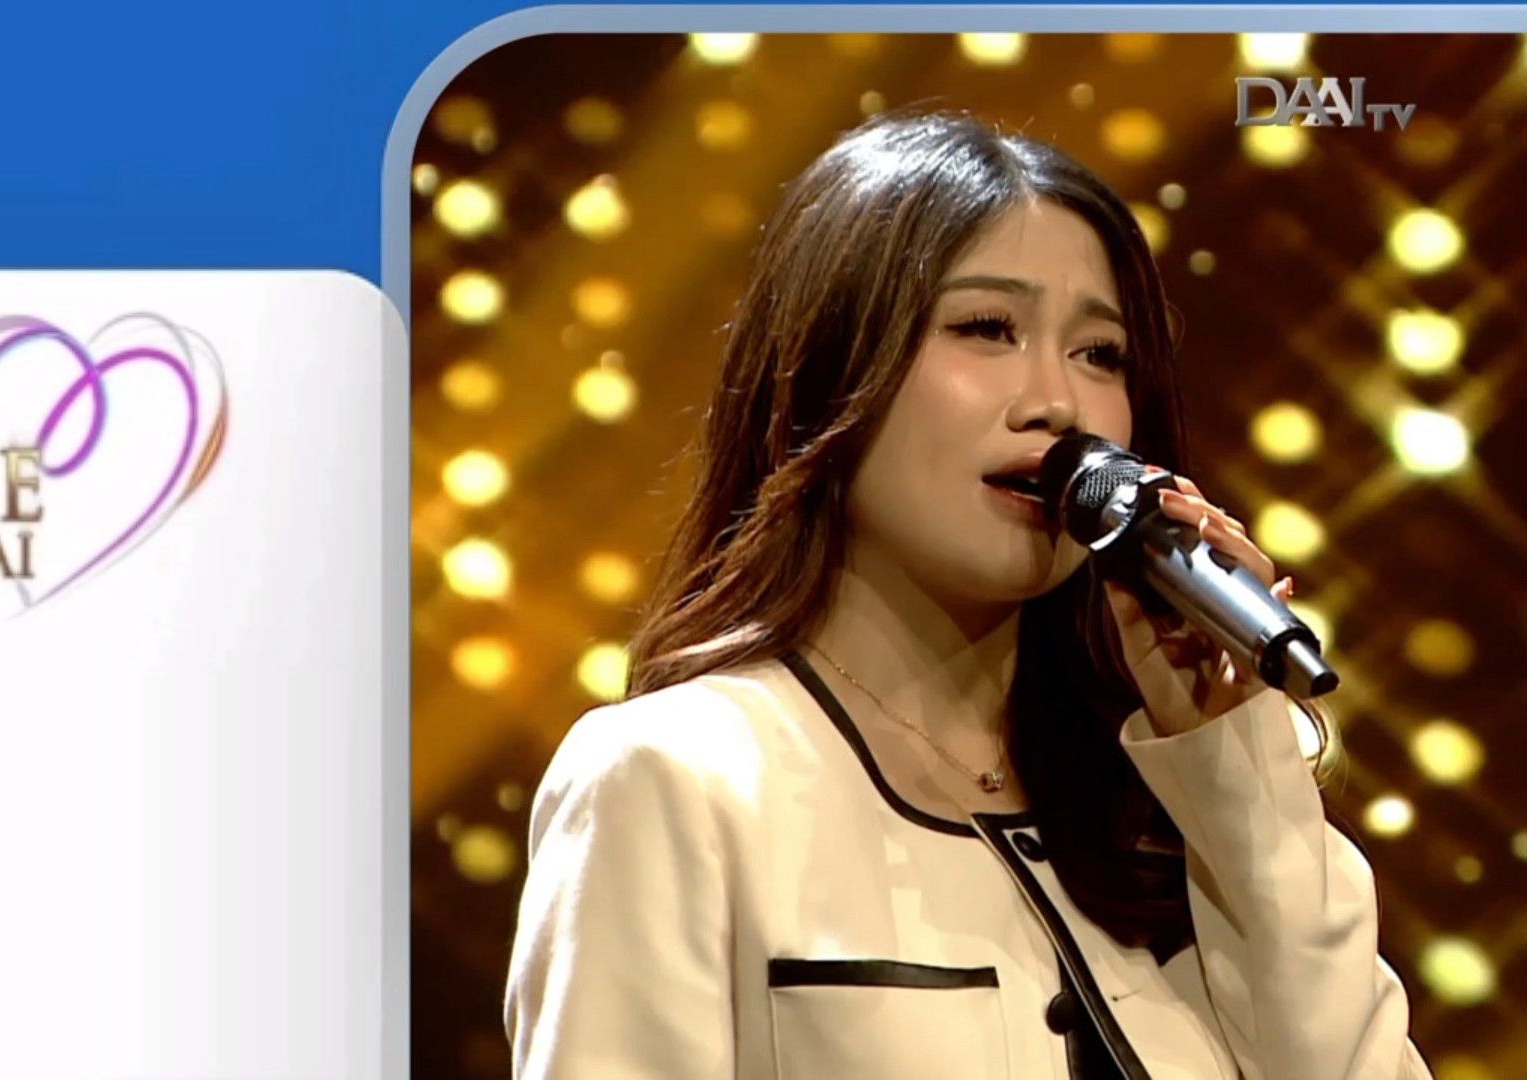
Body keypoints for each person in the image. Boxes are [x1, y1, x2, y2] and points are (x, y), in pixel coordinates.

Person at [502, 110, 1432, 1079]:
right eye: (987, 329)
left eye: (1100, 353)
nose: (1057, 403)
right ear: (832, 369)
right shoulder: (676, 778)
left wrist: (1233, 767)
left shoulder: (1159, 813)